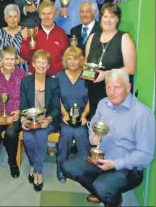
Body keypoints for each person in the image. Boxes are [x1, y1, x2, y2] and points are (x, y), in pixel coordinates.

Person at [62, 69, 155, 207]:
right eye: (108, 87)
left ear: (128, 87)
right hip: (100, 157)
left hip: (127, 168)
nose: (112, 92)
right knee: (68, 167)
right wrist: (93, 136)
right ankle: (101, 191)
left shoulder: (142, 115)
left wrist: (114, 164)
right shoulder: (103, 104)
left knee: (103, 187)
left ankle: (113, 201)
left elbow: (146, 155)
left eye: (117, 87)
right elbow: (93, 124)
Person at [85, 3, 136, 118]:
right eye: (105, 16)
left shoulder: (124, 38)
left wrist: (106, 74)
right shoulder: (92, 37)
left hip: (115, 94)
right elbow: (86, 66)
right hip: (93, 92)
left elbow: (131, 68)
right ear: (100, 18)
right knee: (95, 128)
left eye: (112, 16)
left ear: (118, 19)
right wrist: (87, 73)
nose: (108, 20)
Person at [20, 50, 60, 192]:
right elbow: (23, 105)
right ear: (33, 64)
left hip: (47, 120)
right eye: (39, 62)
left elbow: (56, 108)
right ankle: (33, 164)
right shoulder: (25, 82)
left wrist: (48, 119)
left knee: (41, 136)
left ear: (48, 65)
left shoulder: (54, 82)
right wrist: (24, 119)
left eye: (45, 63)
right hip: (31, 119)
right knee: (28, 137)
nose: (41, 65)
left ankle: (38, 171)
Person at [0, 46, 27, 179]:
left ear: (16, 60)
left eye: (12, 59)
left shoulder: (22, 75)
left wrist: (20, 111)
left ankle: (12, 162)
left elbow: (28, 98)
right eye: (6, 59)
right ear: (1, 60)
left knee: (11, 132)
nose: (9, 62)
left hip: (15, 114)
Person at [55, 47, 90, 183]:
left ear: (81, 60)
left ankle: (83, 168)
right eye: (69, 59)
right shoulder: (59, 76)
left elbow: (91, 98)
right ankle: (61, 168)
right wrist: (64, 113)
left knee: (82, 134)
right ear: (65, 60)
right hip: (64, 115)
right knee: (67, 134)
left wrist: (85, 114)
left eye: (76, 58)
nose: (72, 62)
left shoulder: (88, 74)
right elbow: (56, 98)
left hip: (82, 116)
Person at [20, 1, 68, 76]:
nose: (46, 17)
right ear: (39, 15)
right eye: (43, 14)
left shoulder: (61, 33)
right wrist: (25, 39)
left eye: (49, 13)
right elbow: (25, 56)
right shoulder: (32, 32)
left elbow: (66, 57)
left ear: (54, 15)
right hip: (35, 76)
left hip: (56, 77)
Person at [0, 4, 28, 72]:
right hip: (1, 70)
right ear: (5, 18)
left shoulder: (25, 31)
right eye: (10, 16)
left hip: (21, 70)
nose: (12, 20)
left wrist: (15, 62)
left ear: (19, 18)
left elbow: (29, 55)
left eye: (15, 16)